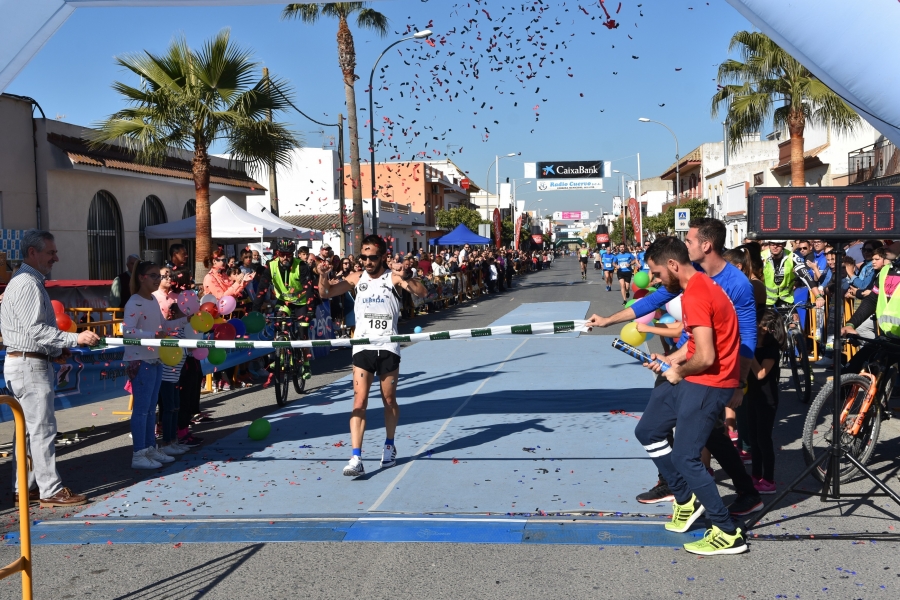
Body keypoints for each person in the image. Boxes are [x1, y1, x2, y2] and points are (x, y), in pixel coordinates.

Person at [588, 219, 761, 516]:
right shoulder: (689, 276)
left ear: (706, 245)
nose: (686, 245)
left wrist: (739, 382)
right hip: (685, 357)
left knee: (705, 435)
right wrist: (607, 320)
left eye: (690, 241)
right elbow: (653, 300)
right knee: (671, 425)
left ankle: (735, 495)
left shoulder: (736, 284)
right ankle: (674, 482)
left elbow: (747, 335)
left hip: (710, 369)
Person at [633, 236, 747, 556]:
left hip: (710, 381)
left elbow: (707, 357)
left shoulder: (696, 294)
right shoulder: (696, 288)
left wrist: (678, 371)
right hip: (696, 373)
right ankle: (685, 499)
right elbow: (695, 345)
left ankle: (727, 531)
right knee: (648, 429)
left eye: (656, 274)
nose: (654, 280)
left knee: (685, 456)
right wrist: (672, 359)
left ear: (672, 265)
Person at [1, 229, 100, 508]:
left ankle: (25, 487)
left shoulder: (25, 281)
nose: (56, 257)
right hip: (29, 364)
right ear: (33, 253)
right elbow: (35, 329)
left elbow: (29, 330)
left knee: (28, 430)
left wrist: (56, 350)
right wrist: (73, 338)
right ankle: (50, 489)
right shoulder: (27, 283)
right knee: (41, 429)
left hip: (27, 361)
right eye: (51, 252)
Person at [316, 235, 427, 478]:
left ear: (384, 256)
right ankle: (356, 456)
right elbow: (326, 293)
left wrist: (406, 274)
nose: (367, 261)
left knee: (389, 400)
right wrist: (323, 274)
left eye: (372, 257)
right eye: (363, 257)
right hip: (362, 347)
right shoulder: (357, 278)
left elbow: (422, 293)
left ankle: (389, 444)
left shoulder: (393, 277)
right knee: (359, 402)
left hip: (388, 346)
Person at [123, 261, 174, 469]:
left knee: (151, 408)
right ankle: (139, 453)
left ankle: (150, 447)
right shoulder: (134, 302)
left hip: (155, 358)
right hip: (140, 359)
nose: (158, 280)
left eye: (158, 276)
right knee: (142, 409)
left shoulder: (152, 299)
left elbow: (164, 326)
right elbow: (128, 332)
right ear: (142, 277)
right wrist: (154, 335)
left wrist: (186, 320)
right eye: (154, 276)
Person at [257, 239, 316, 378]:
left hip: (301, 302)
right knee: (278, 320)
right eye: (282, 254)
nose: (285, 257)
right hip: (284, 301)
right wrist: (256, 309)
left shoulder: (301, 266)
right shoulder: (270, 266)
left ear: (292, 254)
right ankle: (280, 354)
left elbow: (308, 289)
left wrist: (310, 309)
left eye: (288, 255)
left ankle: (306, 364)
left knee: (303, 332)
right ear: (277, 254)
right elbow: (261, 289)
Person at [152, 266, 190, 457]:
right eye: (163, 276)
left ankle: (173, 439)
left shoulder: (177, 300)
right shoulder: (153, 298)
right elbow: (164, 329)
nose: (169, 278)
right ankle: (166, 440)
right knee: (168, 405)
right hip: (166, 364)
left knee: (175, 405)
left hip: (177, 365)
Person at [745, 308, 785, 495]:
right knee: (753, 438)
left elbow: (760, 373)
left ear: (766, 328)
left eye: (757, 323)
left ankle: (768, 479)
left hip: (767, 400)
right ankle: (755, 475)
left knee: (763, 439)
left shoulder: (771, 349)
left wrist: (749, 354)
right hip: (751, 396)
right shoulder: (753, 343)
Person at [763, 241, 795, 306]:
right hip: (767, 300)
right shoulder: (762, 257)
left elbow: (805, 275)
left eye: (778, 244)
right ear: (769, 244)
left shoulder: (791, 256)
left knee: (795, 316)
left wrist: (818, 296)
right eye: (772, 244)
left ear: (784, 244)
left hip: (786, 298)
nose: (775, 246)